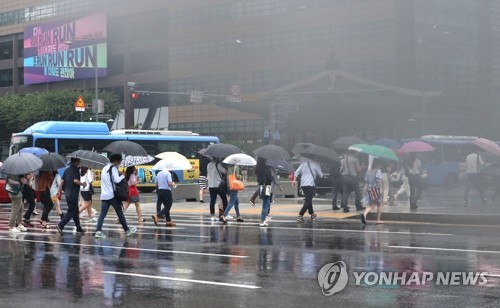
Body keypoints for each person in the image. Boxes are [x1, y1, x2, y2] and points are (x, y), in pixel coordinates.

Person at [94, 154, 137, 238]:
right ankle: (127, 231)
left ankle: (98, 231)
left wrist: (118, 173)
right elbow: (117, 180)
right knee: (120, 212)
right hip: (112, 195)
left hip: (104, 195)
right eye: (120, 161)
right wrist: (122, 175)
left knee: (102, 214)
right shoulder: (113, 168)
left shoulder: (105, 168)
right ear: (116, 161)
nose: (120, 163)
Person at [57, 158, 87, 235]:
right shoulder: (76, 170)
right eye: (79, 161)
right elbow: (75, 181)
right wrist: (83, 184)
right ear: (76, 161)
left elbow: (62, 180)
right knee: (71, 211)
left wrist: (59, 189)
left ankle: (78, 227)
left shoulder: (67, 170)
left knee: (75, 211)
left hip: (67, 193)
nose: (79, 162)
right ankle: (61, 225)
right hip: (73, 194)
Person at [293, 157, 323, 223]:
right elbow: (321, 175)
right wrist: (317, 174)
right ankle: (300, 215)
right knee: (308, 200)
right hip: (311, 184)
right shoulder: (316, 164)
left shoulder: (303, 164)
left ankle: (312, 214)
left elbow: (296, 172)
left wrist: (294, 180)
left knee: (308, 199)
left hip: (303, 184)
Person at [361, 158, 384, 225]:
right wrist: (380, 189)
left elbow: (366, 180)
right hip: (376, 189)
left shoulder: (368, 171)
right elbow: (378, 180)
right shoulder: (378, 171)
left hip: (369, 189)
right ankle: (378, 220)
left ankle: (364, 214)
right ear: (378, 164)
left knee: (372, 205)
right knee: (379, 204)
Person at [255, 157, 274, 227]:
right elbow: (270, 179)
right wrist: (271, 174)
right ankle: (262, 220)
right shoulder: (267, 169)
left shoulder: (258, 168)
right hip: (266, 187)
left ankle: (264, 218)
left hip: (260, 187)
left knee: (267, 203)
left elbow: (258, 179)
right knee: (265, 205)